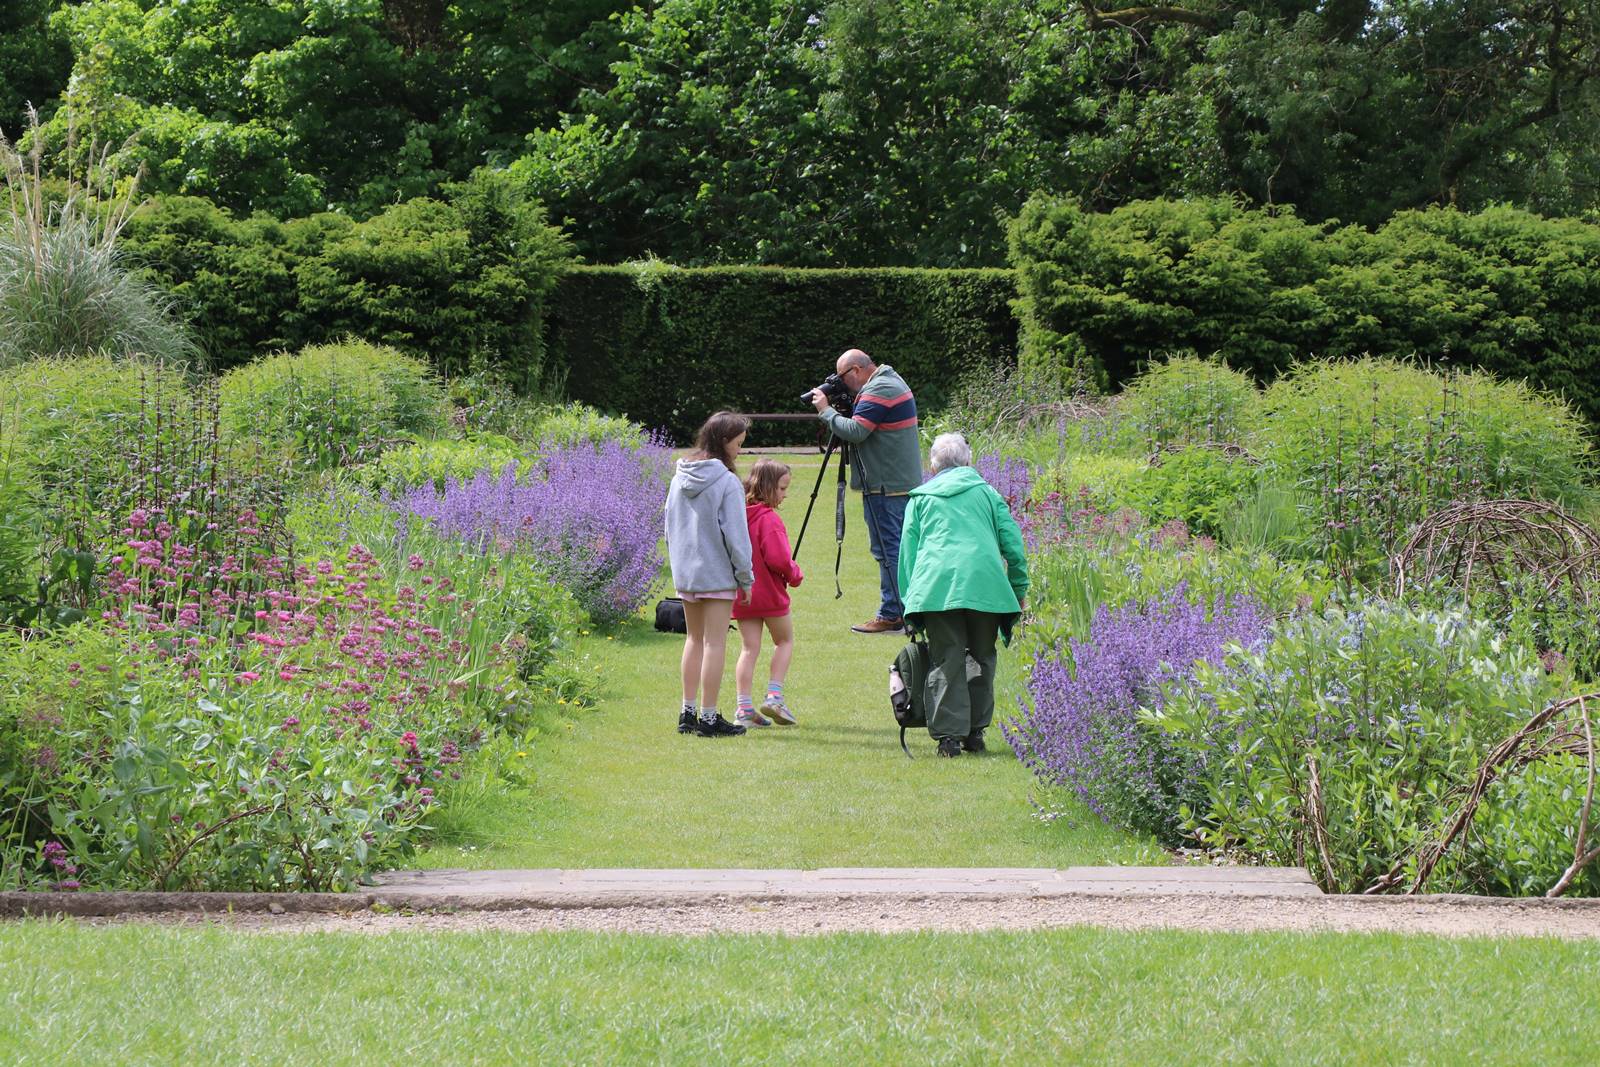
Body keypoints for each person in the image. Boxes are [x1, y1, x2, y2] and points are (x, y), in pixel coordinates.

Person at [897, 432, 1030, 758]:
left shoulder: (920, 499)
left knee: (948, 657)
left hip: (936, 589)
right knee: (982, 656)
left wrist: (909, 603)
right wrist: (1018, 590)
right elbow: (1014, 547)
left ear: (933, 465)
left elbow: (908, 557)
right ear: (969, 460)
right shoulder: (988, 494)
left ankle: (949, 738)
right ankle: (975, 733)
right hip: (986, 586)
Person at [809, 348, 922, 635]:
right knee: (897, 549)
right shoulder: (889, 381)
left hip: (885, 485)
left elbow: (857, 431)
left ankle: (892, 614)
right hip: (895, 482)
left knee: (888, 551)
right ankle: (903, 610)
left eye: (842, 377)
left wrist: (826, 410)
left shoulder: (880, 388)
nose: (841, 383)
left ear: (856, 371)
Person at [664, 411, 755, 738]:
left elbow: (668, 526)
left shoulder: (678, 477)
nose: (739, 450)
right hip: (716, 572)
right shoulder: (727, 482)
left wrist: (679, 564)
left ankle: (687, 713)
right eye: (738, 443)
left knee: (694, 639)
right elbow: (737, 537)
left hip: (687, 571)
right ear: (723, 441)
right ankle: (709, 716)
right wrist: (745, 578)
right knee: (715, 643)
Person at [732, 460, 804, 728]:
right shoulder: (770, 519)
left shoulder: (736, 515)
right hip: (770, 594)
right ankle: (774, 696)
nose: (785, 494)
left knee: (749, 648)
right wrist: (795, 574)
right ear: (768, 487)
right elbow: (779, 558)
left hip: (743, 594)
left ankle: (743, 709)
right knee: (784, 641)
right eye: (783, 488)